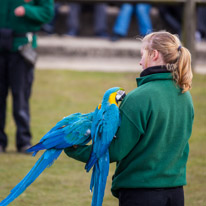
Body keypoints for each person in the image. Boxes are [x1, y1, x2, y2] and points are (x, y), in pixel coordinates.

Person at [64, 31, 194, 206]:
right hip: (176, 193)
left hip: (142, 194)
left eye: (142, 55)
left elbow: (116, 149)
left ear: (154, 55)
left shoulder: (139, 98)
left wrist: (73, 149)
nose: (140, 62)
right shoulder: (185, 95)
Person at [0, 0, 54, 153]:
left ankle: (24, 141)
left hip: (21, 46)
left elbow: (47, 12)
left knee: (21, 96)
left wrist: (27, 10)